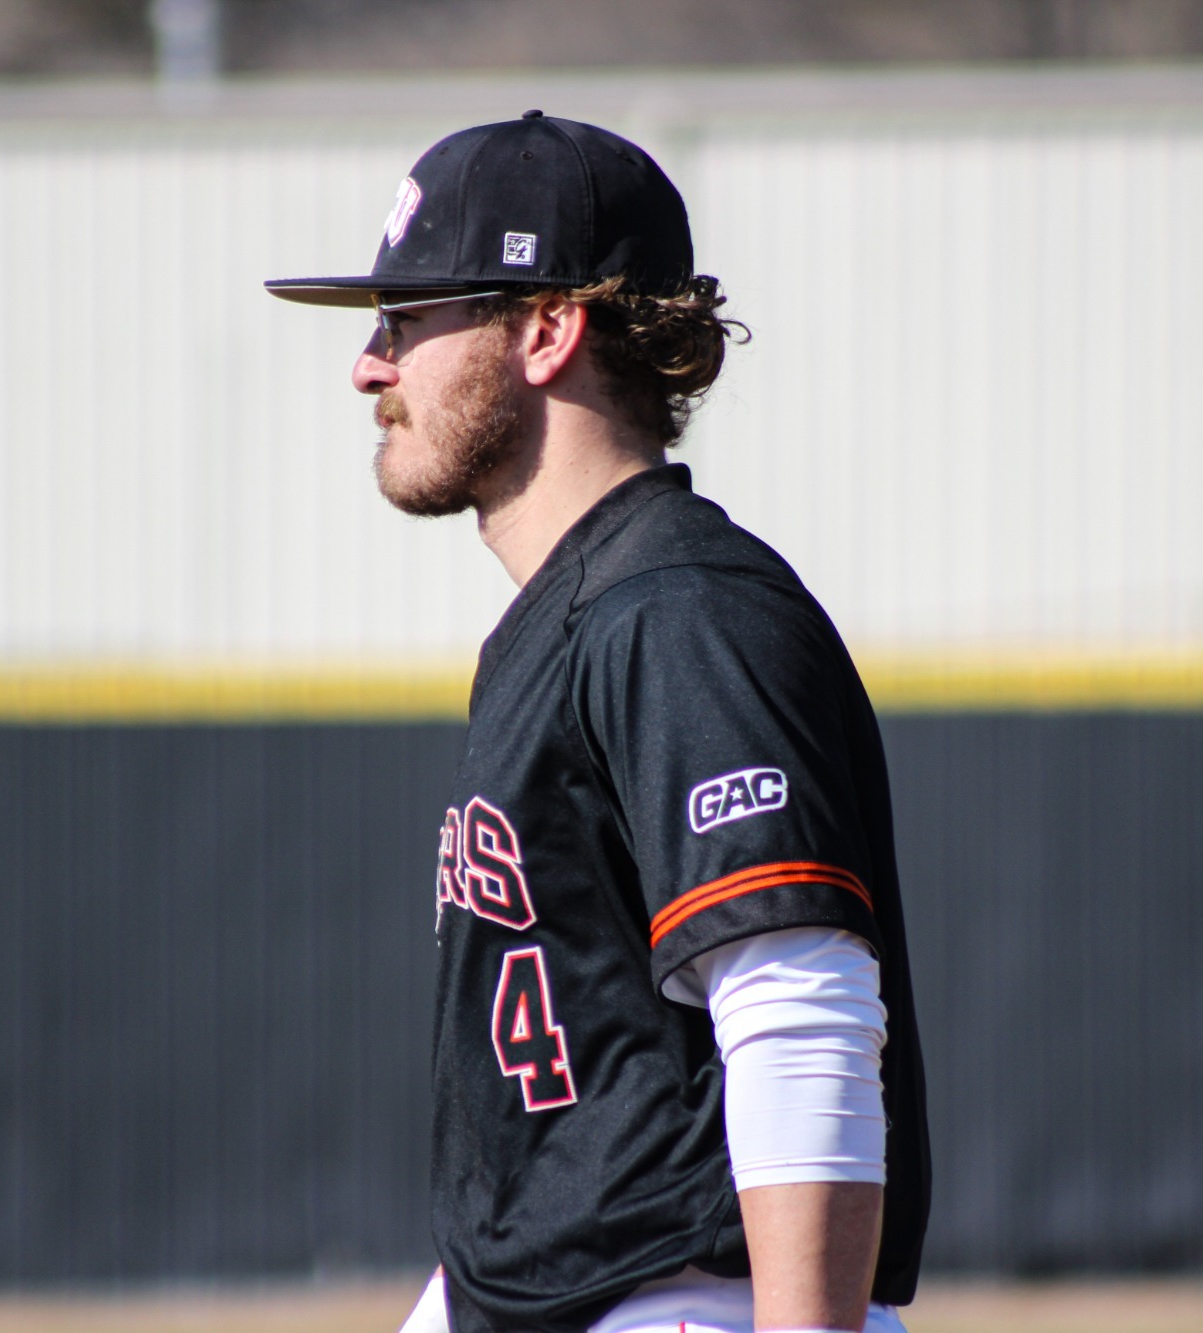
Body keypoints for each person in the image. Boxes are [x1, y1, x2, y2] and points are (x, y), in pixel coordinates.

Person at [266, 111, 929, 1333]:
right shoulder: (575, 618)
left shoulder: (681, 613)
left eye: (409, 319)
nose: (369, 365)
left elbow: (798, 1005)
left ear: (545, 328)